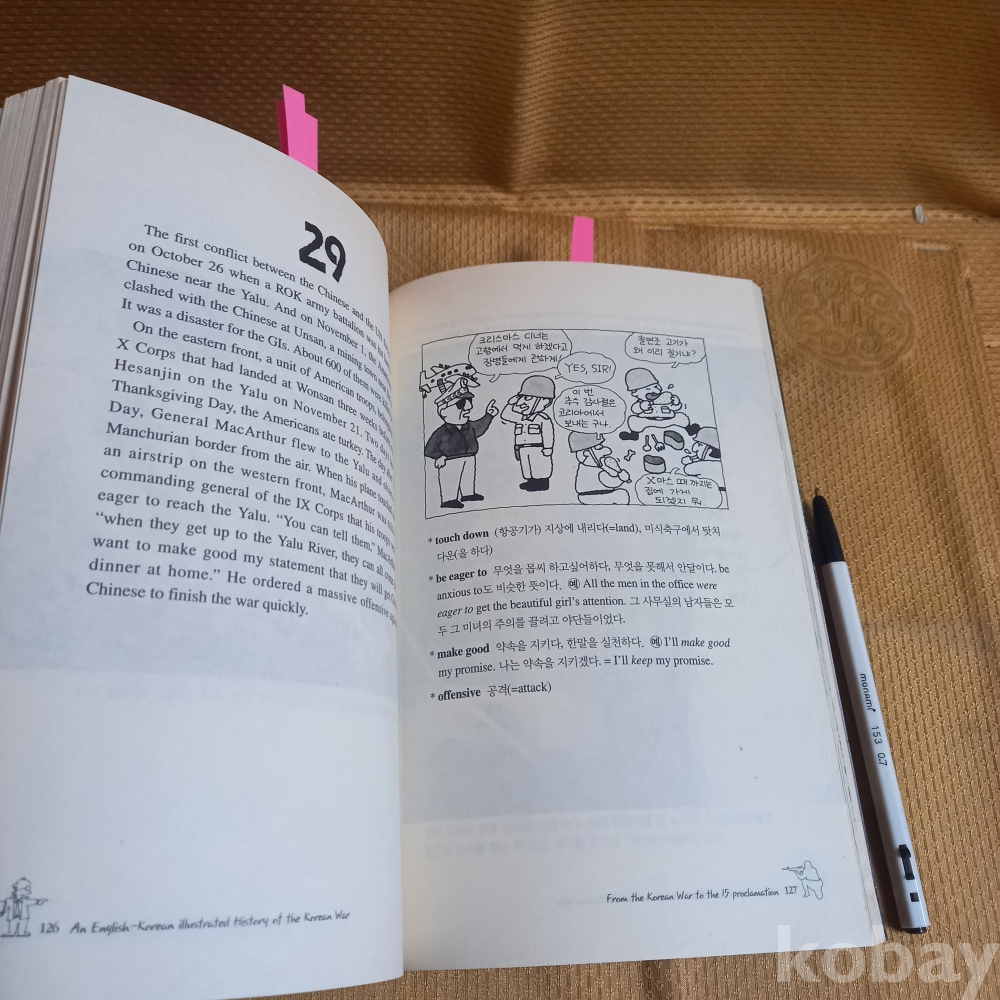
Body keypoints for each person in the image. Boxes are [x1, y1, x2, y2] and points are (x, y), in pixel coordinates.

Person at [421, 362, 498, 509]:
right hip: (450, 460)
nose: (468, 407)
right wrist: (439, 456)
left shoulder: (468, 426)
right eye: (461, 404)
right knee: (451, 479)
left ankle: (468, 494)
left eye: (469, 402)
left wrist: (489, 415)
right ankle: (449, 499)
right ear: (444, 411)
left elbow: (480, 427)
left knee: (468, 477)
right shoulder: (442, 432)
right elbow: (429, 448)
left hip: (469, 456)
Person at [500, 375, 556, 492]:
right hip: (522, 448)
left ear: (544, 401)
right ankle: (530, 481)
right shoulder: (521, 418)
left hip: (538, 448)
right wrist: (511, 402)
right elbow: (505, 415)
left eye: (527, 398)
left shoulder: (542, 419)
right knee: (527, 467)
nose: (521, 402)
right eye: (521, 397)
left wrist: (548, 448)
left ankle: (542, 483)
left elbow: (548, 433)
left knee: (539, 466)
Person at [618, 368, 694, 447]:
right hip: (648, 420)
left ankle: (689, 429)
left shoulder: (665, 399)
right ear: (635, 393)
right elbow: (635, 409)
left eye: (656, 386)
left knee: (681, 416)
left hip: (668, 419)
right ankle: (633, 435)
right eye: (648, 389)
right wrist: (641, 406)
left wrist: (676, 403)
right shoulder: (642, 403)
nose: (656, 390)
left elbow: (674, 408)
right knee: (633, 420)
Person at [569, 431, 631, 504]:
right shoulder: (593, 470)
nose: (608, 451)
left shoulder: (587, 467)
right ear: (586, 454)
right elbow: (609, 483)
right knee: (622, 494)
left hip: (589, 496)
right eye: (599, 448)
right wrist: (621, 477)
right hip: (594, 496)